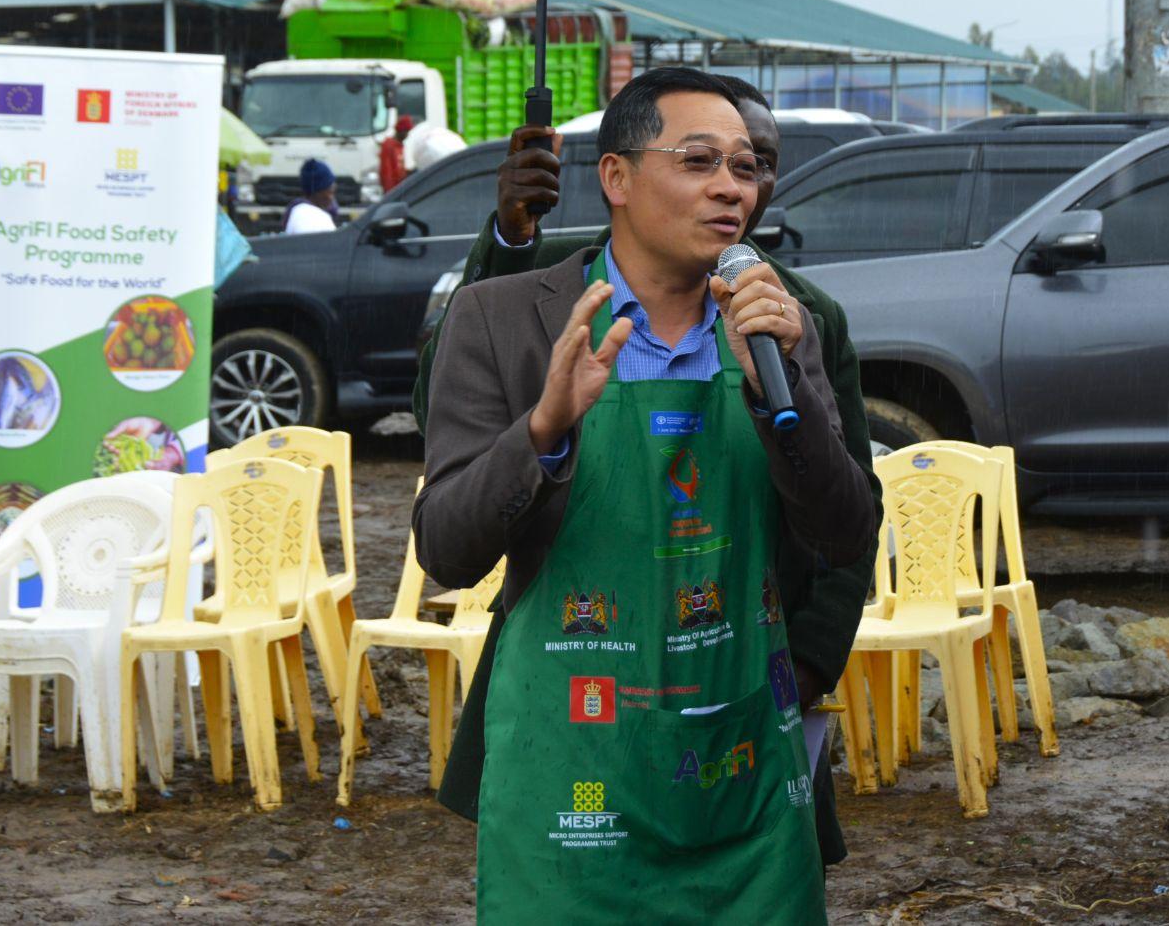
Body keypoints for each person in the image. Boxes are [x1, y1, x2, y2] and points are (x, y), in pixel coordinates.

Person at [415, 68, 877, 923]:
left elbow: (848, 531)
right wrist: (543, 429)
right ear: (618, 178)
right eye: (699, 160)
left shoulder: (779, 323)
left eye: (745, 166)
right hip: (571, 758)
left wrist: (786, 406)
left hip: (738, 748)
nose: (731, 186)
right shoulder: (502, 318)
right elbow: (444, 547)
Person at [282, 158, 339, 234]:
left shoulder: (299, 211)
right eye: (330, 190)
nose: (332, 198)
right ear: (317, 192)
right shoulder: (312, 217)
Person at [379, 114, 413, 193]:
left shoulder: (399, 146)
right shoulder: (389, 146)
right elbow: (387, 173)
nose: (408, 135)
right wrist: (390, 193)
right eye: (406, 132)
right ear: (401, 131)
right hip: (393, 191)